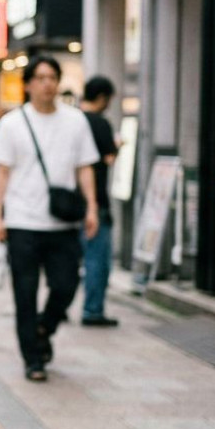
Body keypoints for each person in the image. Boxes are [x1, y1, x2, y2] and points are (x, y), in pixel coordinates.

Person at [0, 57, 99, 381]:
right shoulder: (12, 123)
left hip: (62, 222)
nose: (47, 83)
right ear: (28, 84)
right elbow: (2, 172)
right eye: (40, 78)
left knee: (66, 285)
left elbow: (85, 167)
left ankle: (44, 326)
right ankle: (32, 359)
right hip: (23, 221)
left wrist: (92, 207)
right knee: (25, 292)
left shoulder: (76, 121)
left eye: (52, 77)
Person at [80, 76, 120, 327]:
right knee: (97, 259)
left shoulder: (72, 120)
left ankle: (61, 307)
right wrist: (118, 147)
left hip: (69, 203)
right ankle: (93, 310)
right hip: (96, 201)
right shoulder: (101, 123)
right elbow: (108, 159)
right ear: (103, 97)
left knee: (70, 258)